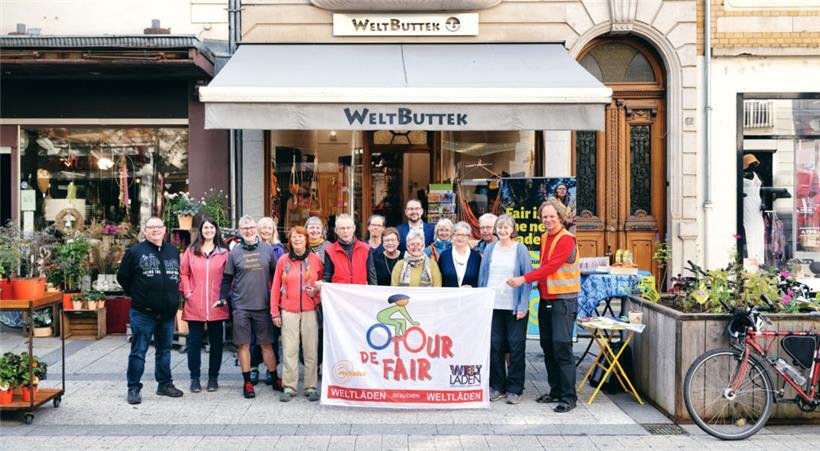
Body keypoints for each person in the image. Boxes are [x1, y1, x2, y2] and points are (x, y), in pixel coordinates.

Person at [508, 203, 580, 413]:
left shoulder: (566, 238)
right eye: (544, 216)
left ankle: (569, 397)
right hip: (547, 298)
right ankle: (556, 391)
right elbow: (544, 267)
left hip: (563, 300)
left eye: (551, 216)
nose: (547, 220)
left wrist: (524, 279)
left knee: (562, 347)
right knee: (548, 347)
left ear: (560, 216)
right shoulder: (545, 237)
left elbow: (551, 267)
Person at [117, 216, 183, 405]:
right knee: (139, 351)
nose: (155, 230)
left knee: (165, 351)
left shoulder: (172, 251)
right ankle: (133, 388)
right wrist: (138, 294)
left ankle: (164, 384)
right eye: (151, 227)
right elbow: (123, 277)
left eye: (159, 227)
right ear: (145, 231)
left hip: (167, 314)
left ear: (164, 230)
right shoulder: (135, 252)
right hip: (143, 313)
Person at [218, 215, 281, 399]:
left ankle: (275, 377)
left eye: (251, 227)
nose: (248, 230)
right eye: (244, 228)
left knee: (266, 344)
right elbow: (227, 278)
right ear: (239, 231)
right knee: (243, 344)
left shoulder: (267, 249)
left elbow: (276, 277)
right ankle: (247, 382)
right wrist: (222, 297)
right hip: (241, 307)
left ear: (256, 228)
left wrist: (278, 299)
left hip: (262, 305)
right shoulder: (235, 252)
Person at [478, 214, 533, 405]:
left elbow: (527, 279)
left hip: (513, 307)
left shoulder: (520, 249)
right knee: (495, 347)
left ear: (512, 230)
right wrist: (482, 300)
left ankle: (515, 389)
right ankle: (498, 387)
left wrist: (522, 305)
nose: (503, 231)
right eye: (499, 227)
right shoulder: (490, 248)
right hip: (493, 305)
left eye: (506, 228)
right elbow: (482, 276)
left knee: (516, 348)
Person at [270, 226, 323, 402]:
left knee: (310, 350)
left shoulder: (315, 260)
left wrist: (316, 292)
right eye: (294, 237)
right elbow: (275, 287)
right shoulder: (283, 261)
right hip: (288, 310)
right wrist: (274, 312)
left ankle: (311, 386)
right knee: (290, 350)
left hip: (310, 310)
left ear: (306, 240)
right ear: (290, 240)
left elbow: (323, 285)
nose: (298, 240)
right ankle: (289, 386)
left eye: (301, 237)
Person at [179, 218, 229, 394]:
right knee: (194, 342)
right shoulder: (192, 251)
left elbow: (229, 277)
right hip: (195, 303)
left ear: (216, 230)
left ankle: (213, 377)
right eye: (205, 227)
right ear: (201, 230)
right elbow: (183, 273)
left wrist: (225, 297)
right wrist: (187, 293)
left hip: (216, 304)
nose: (208, 230)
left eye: (211, 227)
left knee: (216, 343)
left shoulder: (224, 252)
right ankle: (195, 379)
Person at [251, 216, 286, 386]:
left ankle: (271, 369)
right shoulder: (252, 248)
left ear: (274, 231)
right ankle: (254, 367)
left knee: (272, 335)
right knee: (254, 335)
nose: (266, 231)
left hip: (273, 297)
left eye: (269, 228)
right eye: (263, 228)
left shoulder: (279, 250)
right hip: (255, 296)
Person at [321, 213, 377, 285]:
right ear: (336, 230)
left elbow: (372, 276)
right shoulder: (330, 251)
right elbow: (327, 277)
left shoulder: (366, 249)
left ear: (354, 228)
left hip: (360, 293)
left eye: (348, 228)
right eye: (342, 228)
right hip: (338, 294)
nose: (345, 231)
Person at [439, 221, 481, 288]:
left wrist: (472, 287)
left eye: (463, 235)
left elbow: (479, 280)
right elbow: (439, 280)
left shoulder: (476, 257)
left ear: (469, 237)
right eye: (457, 235)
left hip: (469, 297)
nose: (460, 238)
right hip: (448, 296)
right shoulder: (444, 256)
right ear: (452, 236)